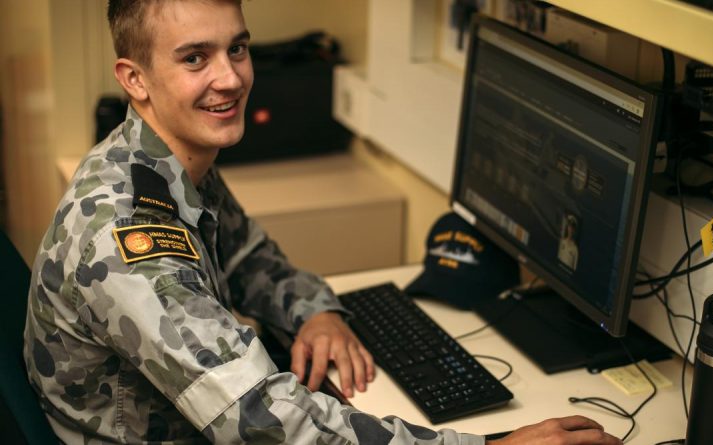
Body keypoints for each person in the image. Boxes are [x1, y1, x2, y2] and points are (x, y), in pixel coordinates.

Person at [24, 1, 623, 443]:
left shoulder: (165, 159)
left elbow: (249, 258)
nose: (231, 78)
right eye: (194, 58)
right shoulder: (126, 231)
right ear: (134, 79)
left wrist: (316, 311)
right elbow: (259, 419)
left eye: (237, 47)